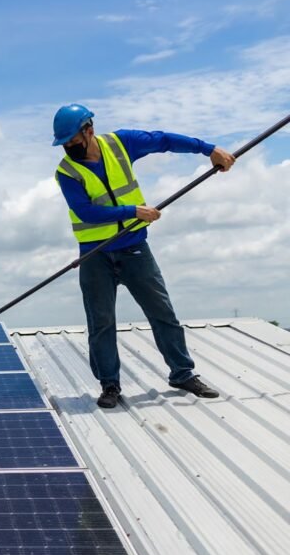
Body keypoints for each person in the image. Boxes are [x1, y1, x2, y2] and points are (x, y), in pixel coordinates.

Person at [52, 104, 235, 408]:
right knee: (101, 323)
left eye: (73, 139)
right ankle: (110, 385)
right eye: (64, 143)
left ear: (89, 130)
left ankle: (182, 374)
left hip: (134, 248)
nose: (69, 147)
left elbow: (162, 140)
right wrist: (133, 211)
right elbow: (85, 211)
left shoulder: (121, 143)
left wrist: (209, 150)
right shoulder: (66, 171)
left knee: (162, 312)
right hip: (95, 255)